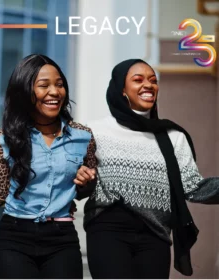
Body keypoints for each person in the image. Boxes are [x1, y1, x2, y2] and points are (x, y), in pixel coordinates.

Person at [75, 58, 219, 279]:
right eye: (138, 80)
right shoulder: (94, 131)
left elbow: (193, 187)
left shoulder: (173, 137)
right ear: (122, 89)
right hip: (108, 230)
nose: (148, 85)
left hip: (155, 235)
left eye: (153, 80)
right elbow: (77, 181)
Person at [0, 54, 97, 279]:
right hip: (14, 237)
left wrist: (87, 182)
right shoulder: (2, 139)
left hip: (62, 238)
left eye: (59, 85)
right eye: (43, 85)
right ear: (25, 91)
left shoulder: (83, 136)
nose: (54, 92)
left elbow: (85, 191)